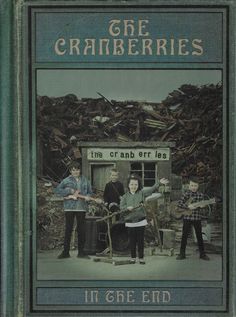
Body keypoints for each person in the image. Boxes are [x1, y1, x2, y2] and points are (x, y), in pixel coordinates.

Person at [120, 174, 169, 264]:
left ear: (138, 185)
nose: (133, 186)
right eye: (131, 184)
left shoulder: (142, 193)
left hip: (141, 222)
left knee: (140, 241)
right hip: (130, 223)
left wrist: (159, 183)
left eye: (136, 184)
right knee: (132, 241)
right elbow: (121, 208)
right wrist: (127, 208)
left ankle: (141, 258)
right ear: (128, 185)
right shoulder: (125, 196)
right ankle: (133, 258)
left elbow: (152, 189)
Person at [55, 161, 95, 259]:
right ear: (70, 171)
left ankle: (81, 252)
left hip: (81, 208)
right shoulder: (66, 180)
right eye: (73, 170)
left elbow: (90, 192)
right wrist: (69, 191)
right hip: (69, 208)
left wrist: (88, 197)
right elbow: (57, 191)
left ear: (79, 170)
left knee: (82, 230)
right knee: (68, 229)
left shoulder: (85, 180)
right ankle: (65, 252)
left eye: (77, 170)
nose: (75, 172)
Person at [176, 176, 210, 261]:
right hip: (187, 218)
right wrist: (188, 206)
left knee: (199, 236)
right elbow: (179, 204)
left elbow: (203, 208)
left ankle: (202, 254)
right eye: (192, 185)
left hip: (197, 218)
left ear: (198, 186)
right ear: (189, 186)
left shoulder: (200, 195)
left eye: (195, 186)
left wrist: (203, 206)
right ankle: (182, 254)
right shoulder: (186, 194)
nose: (193, 187)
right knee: (184, 236)